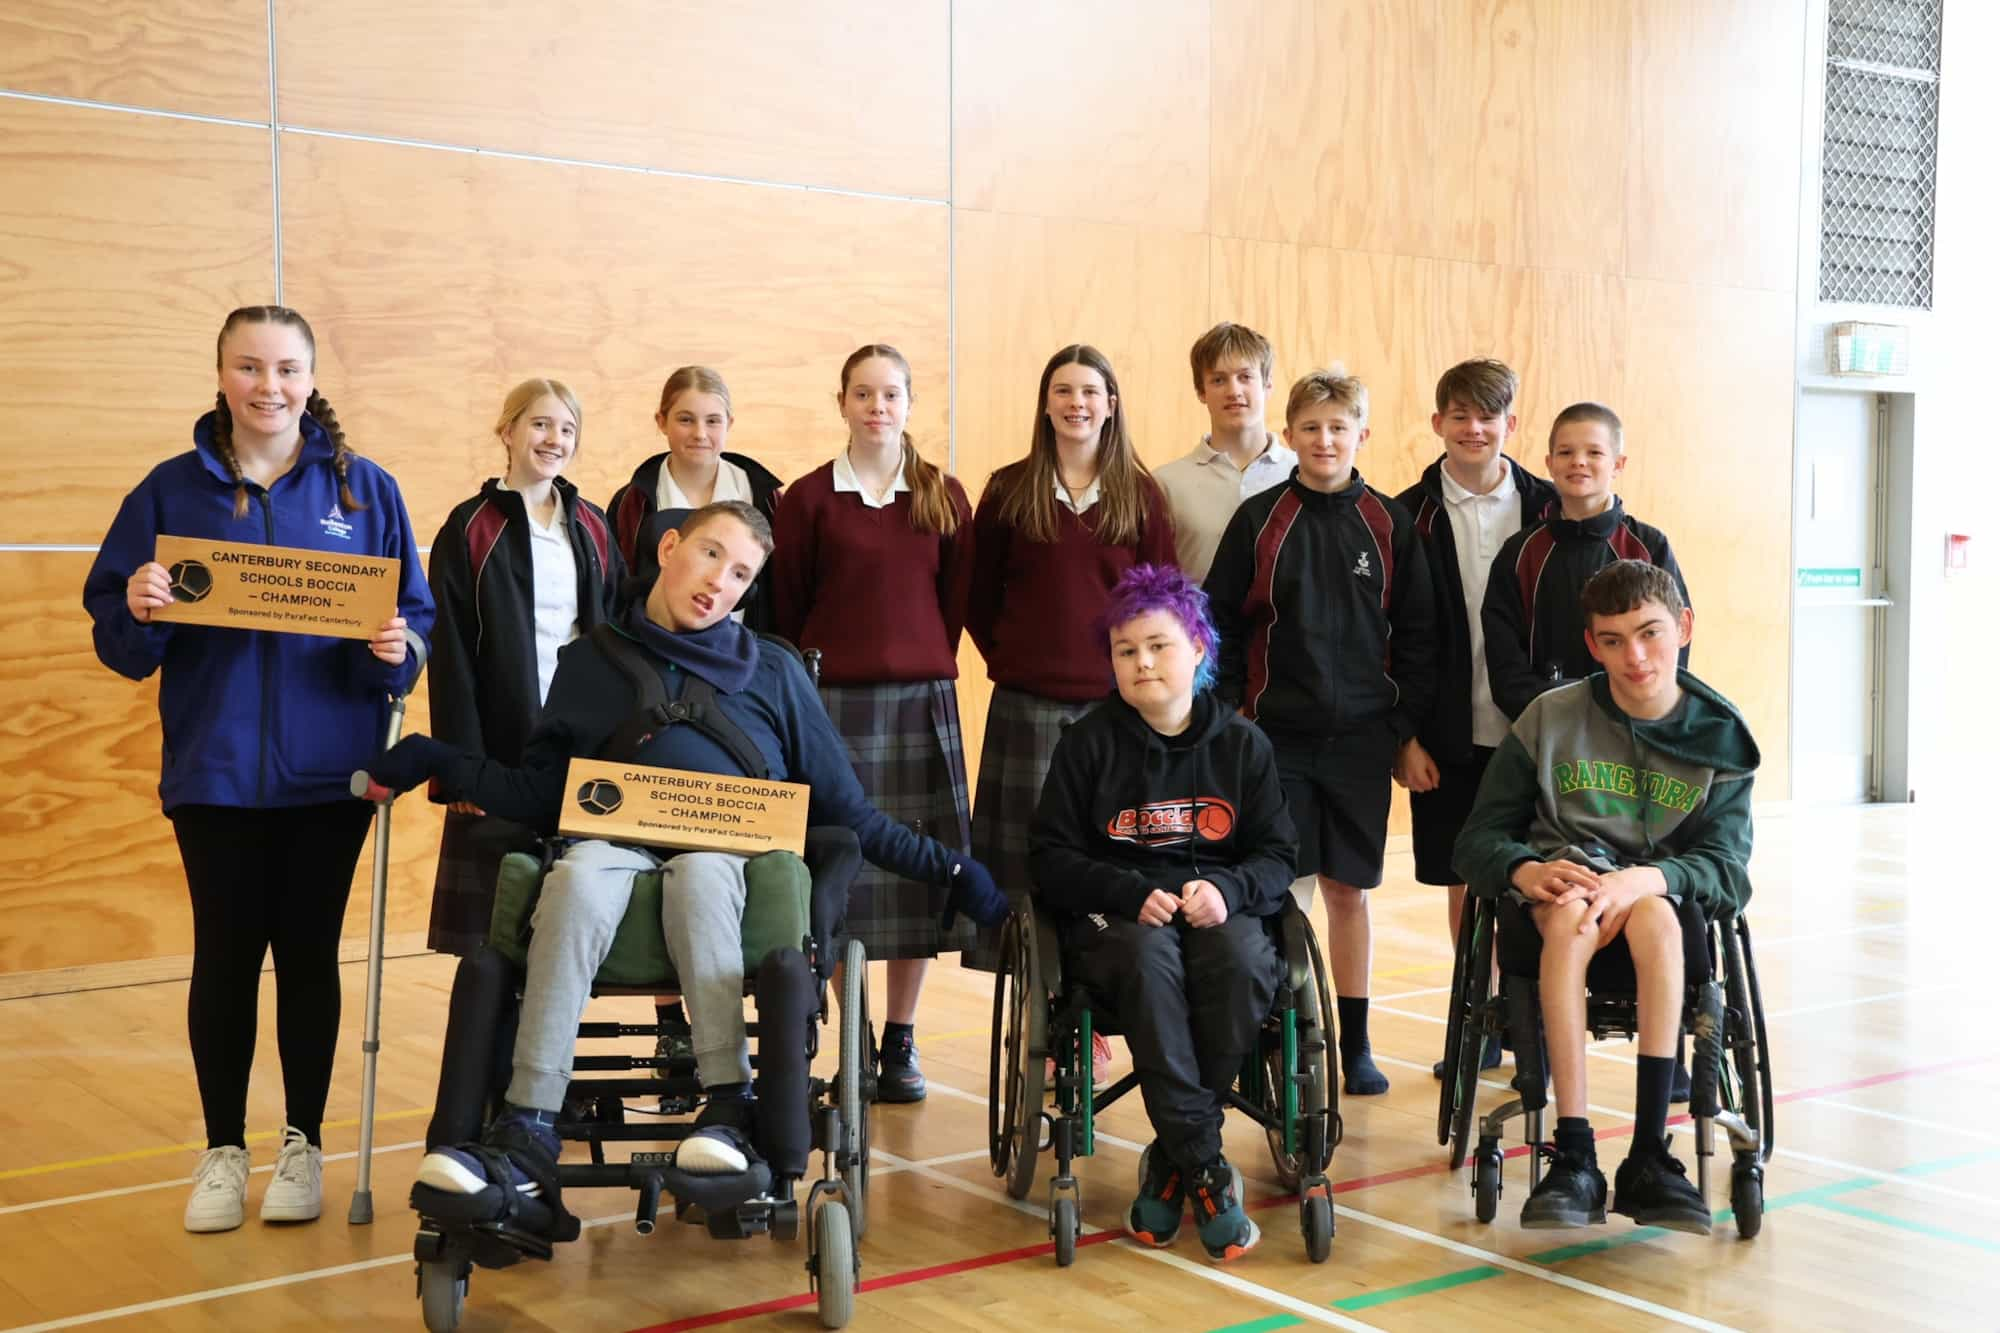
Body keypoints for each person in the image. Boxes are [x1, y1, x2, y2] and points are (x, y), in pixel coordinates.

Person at [363, 502, 1006, 1214]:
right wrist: (436, 758)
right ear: (670, 546)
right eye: (709, 555)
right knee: (574, 880)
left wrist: (952, 869)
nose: (717, 583)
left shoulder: (775, 671)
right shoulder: (590, 660)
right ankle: (527, 1126)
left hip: (724, 855)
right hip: (609, 846)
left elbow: (848, 814)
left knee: (701, 877)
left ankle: (728, 1106)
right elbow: (542, 791)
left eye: (739, 575)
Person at [83, 304, 434, 1232]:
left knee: (309, 954)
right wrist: (139, 604)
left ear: (311, 378)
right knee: (227, 955)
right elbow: (119, 641)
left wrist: (400, 647)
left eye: (286, 369)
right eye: (250, 367)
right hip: (217, 769)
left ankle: (303, 1145)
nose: (269, 387)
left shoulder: (367, 493)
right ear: (222, 376)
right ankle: (222, 1151)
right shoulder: (169, 492)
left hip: (333, 775)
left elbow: (414, 624)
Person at [1454, 561, 1757, 1235]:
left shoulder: (1721, 737)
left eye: (1650, 633)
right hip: (1563, 892)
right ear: (1592, 644)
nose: (1636, 655)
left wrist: (1648, 877)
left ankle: (1650, 1151)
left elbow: (1730, 868)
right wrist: (1524, 869)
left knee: (1654, 914)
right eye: (1613, 639)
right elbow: (1477, 840)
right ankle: (1576, 1151)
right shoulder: (1548, 718)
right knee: (1570, 914)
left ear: (1682, 628)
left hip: (1660, 904)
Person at [1030, 565, 1296, 1263]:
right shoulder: (1088, 743)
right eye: (1125, 650)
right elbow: (1049, 858)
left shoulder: (1244, 746)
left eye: (1158, 645)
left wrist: (1230, 891)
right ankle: (1206, 1167)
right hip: (1114, 919)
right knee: (1148, 961)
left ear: (1200, 648)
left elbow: (1278, 855)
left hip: (1216, 910)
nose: (1142, 661)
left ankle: (1176, 1160)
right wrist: (1122, 891)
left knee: (1241, 960)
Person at [1205, 367, 1437, 1096]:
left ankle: (1356, 1040)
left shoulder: (1391, 524)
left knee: (1349, 892)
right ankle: (1272, 1030)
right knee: (1281, 888)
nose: (1325, 439)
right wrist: (1238, 714)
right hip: (1277, 739)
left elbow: (1421, 638)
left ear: (1361, 434)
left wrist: (1402, 730)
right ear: (1291, 435)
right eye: (1311, 428)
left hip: (1364, 742)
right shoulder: (1260, 521)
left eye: (1339, 427)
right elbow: (1220, 625)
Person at [962, 344, 1178, 1091]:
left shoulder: (1141, 497)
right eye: (1063, 390)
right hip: (1025, 706)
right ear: (1046, 403)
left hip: (1116, 714)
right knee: (1026, 869)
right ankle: (1044, 1016)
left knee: (1108, 866)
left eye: (1091, 390)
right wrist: (1019, 659)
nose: (1077, 402)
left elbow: (1162, 602)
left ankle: (1098, 1012)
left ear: (1111, 403)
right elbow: (977, 599)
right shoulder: (1009, 490)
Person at [768, 344, 975, 1102]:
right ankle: (850, 1040)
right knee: (840, 874)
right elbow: (789, 606)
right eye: (863, 393)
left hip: (920, 700)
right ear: (843, 402)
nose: (877, 406)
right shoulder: (807, 499)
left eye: (891, 394)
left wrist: (917, 659)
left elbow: (954, 604)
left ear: (910, 404)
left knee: (916, 877)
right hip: (833, 707)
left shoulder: (943, 494)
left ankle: (899, 1040)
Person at [1390, 359, 1555, 1077]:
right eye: (1458, 415)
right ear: (1438, 424)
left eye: (1487, 416)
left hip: (1537, 732)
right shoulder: (1406, 511)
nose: (1473, 428)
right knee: (1467, 883)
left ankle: (1533, 1020)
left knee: (1542, 877)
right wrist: (1405, 735)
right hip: (1449, 733)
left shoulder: (1550, 506)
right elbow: (1391, 632)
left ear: (1510, 425)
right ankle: (1479, 1018)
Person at [424, 379, 620, 956]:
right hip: (499, 750)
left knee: (566, 933)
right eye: (540, 424)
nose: (553, 439)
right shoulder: (468, 528)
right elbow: (450, 653)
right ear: (507, 432)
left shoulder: (593, 525)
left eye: (566, 429)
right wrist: (462, 766)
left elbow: (612, 636)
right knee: (493, 936)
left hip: (581, 749)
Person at [1482, 401, 1689, 723]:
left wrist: (1640, 714)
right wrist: (1559, 718)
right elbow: (1505, 665)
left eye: (1594, 453)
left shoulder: (1649, 546)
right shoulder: (1519, 552)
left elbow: (1672, 649)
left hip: (1632, 731)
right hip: (1547, 732)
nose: (1579, 462)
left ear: (1618, 464)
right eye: (1566, 453)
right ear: (1549, 464)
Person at [607, 365, 783, 628]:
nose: (700, 433)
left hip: (742, 653)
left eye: (713, 421)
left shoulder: (765, 498)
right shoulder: (632, 503)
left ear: (729, 423)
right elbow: (617, 590)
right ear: (662, 421)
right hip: (653, 652)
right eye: (686, 419)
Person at [1153, 322, 1296, 580]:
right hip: (1197, 621)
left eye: (1245, 377)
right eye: (1218, 380)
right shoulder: (1165, 484)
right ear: (1201, 391)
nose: (1234, 391)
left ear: (1268, 385)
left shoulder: (1301, 474)